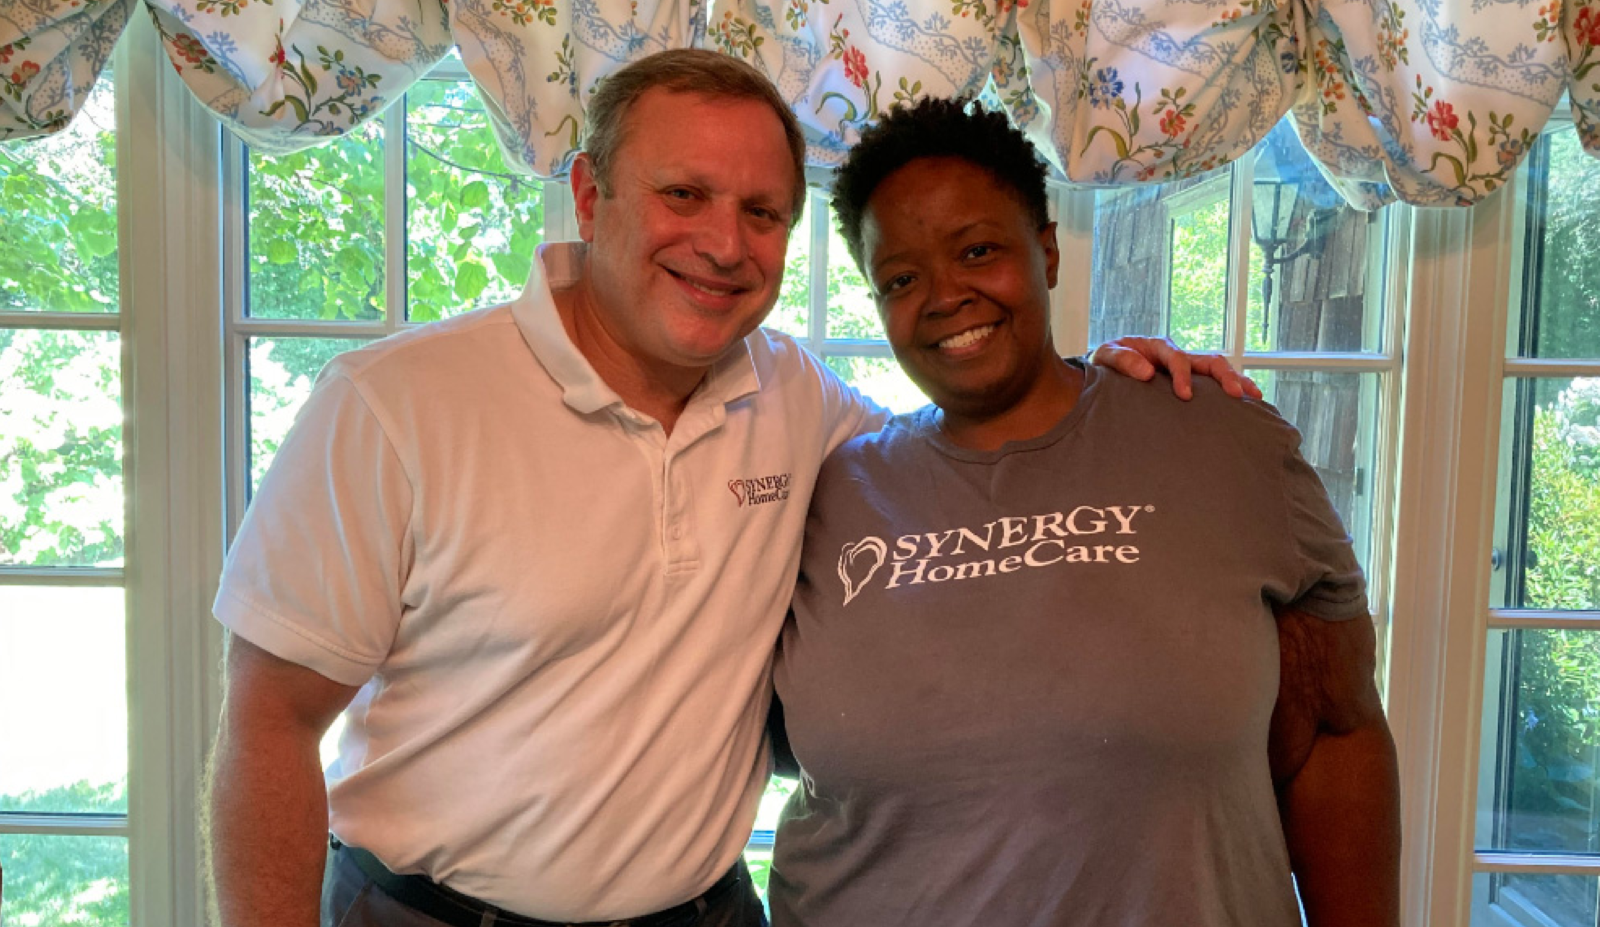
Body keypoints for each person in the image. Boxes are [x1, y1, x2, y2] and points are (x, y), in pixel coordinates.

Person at [201, 49, 1254, 927]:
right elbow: (269, 724)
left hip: (705, 913)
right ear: (588, 193)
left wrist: (1099, 383)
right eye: (683, 195)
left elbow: (968, 458)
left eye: (761, 212)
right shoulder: (395, 404)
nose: (722, 243)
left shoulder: (794, 399)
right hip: (430, 916)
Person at [767, 97, 1401, 927]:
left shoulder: (1219, 438)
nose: (945, 295)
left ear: (1048, 250)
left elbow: (1335, 729)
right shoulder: (831, 492)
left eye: (978, 250)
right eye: (901, 279)